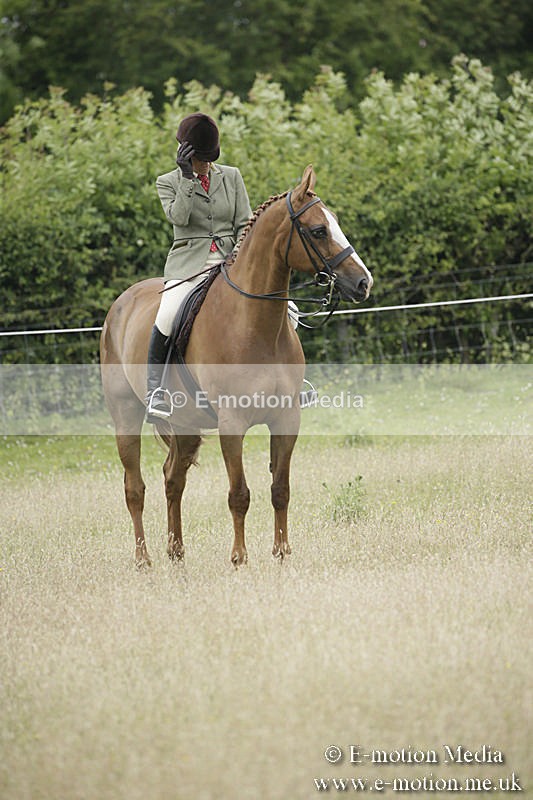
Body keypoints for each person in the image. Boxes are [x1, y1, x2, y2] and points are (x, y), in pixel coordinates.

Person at [146, 112, 252, 421]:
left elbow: (245, 223)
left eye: (209, 159)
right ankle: (156, 390)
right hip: (189, 266)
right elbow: (179, 218)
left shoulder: (231, 176)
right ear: (185, 153)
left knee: (285, 308)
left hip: (231, 262)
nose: (205, 164)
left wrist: (238, 255)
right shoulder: (167, 182)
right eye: (199, 159)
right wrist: (187, 179)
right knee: (167, 316)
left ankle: (293, 380)